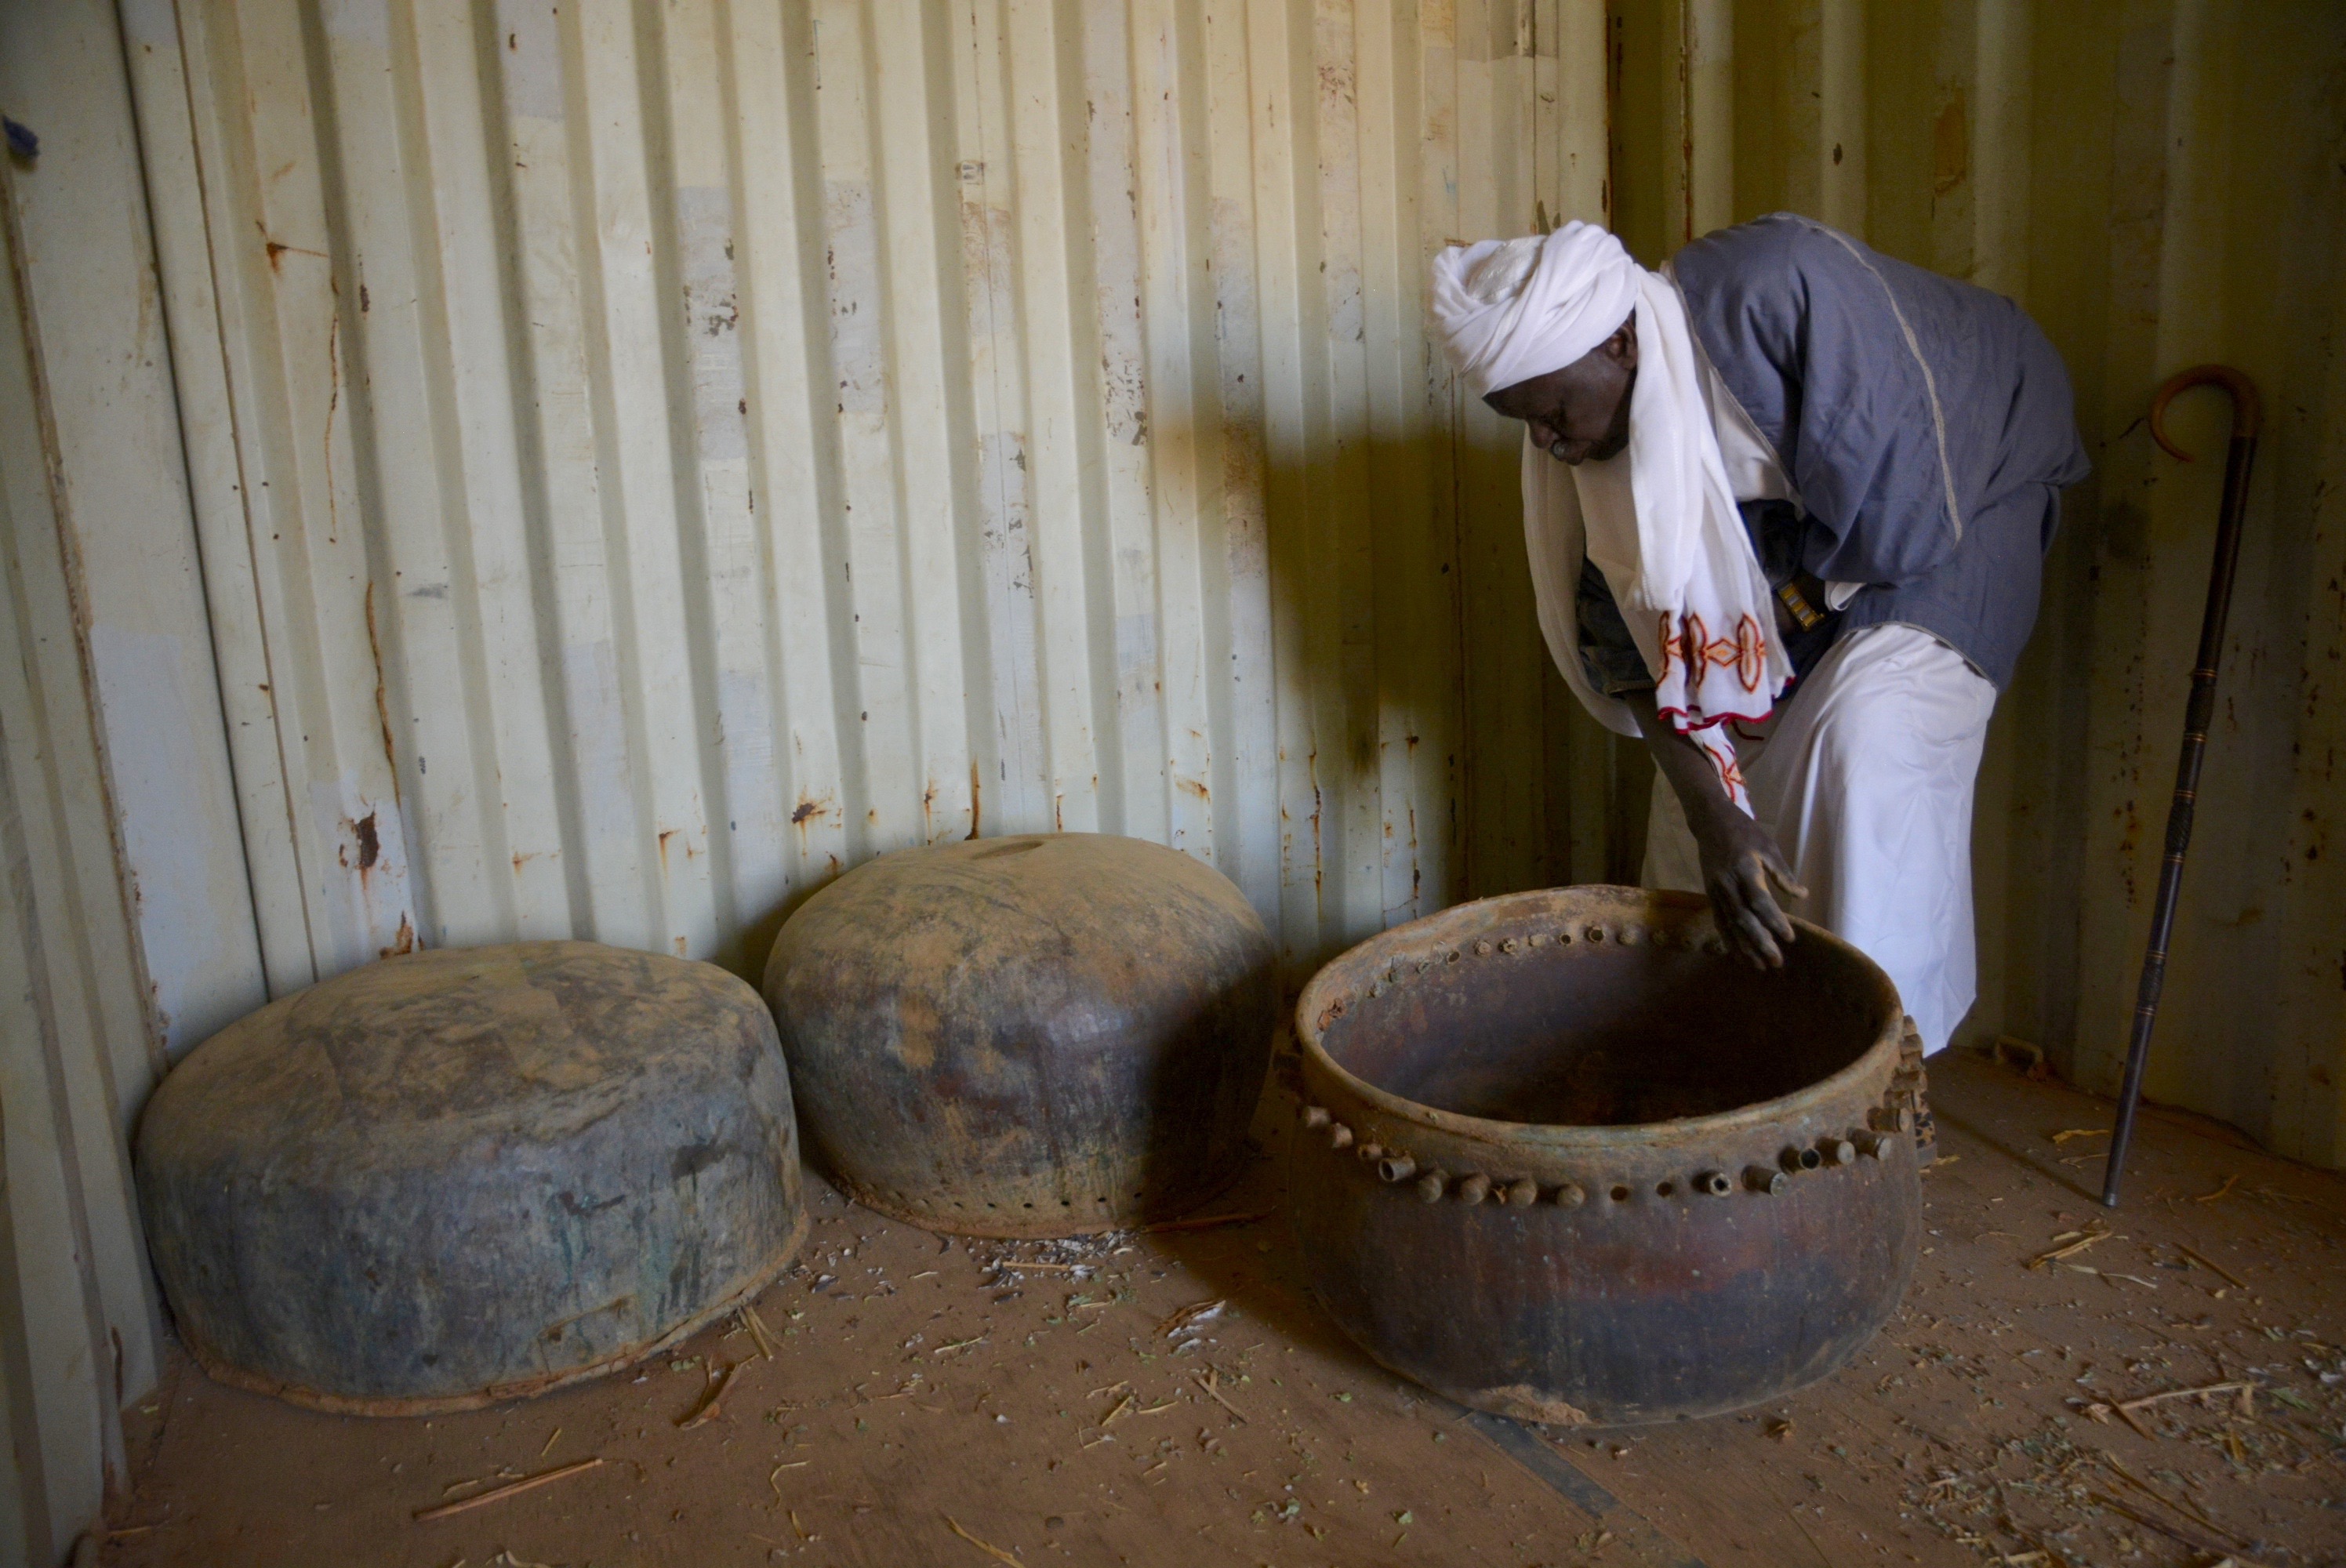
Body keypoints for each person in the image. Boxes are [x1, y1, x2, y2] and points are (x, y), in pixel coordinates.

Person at [1432, 214, 2089, 1055]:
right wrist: (1717, 817)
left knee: (1863, 739)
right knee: (1707, 780)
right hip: (1815, 537)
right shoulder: (1587, 458)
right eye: (1522, 423)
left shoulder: (1774, 293)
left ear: (1622, 343)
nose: (1546, 443)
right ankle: (1724, 1053)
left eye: (1552, 411)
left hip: (1960, 493)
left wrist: (1755, 633)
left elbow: (1902, 518)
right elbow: (1637, 662)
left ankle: (1876, 1061)